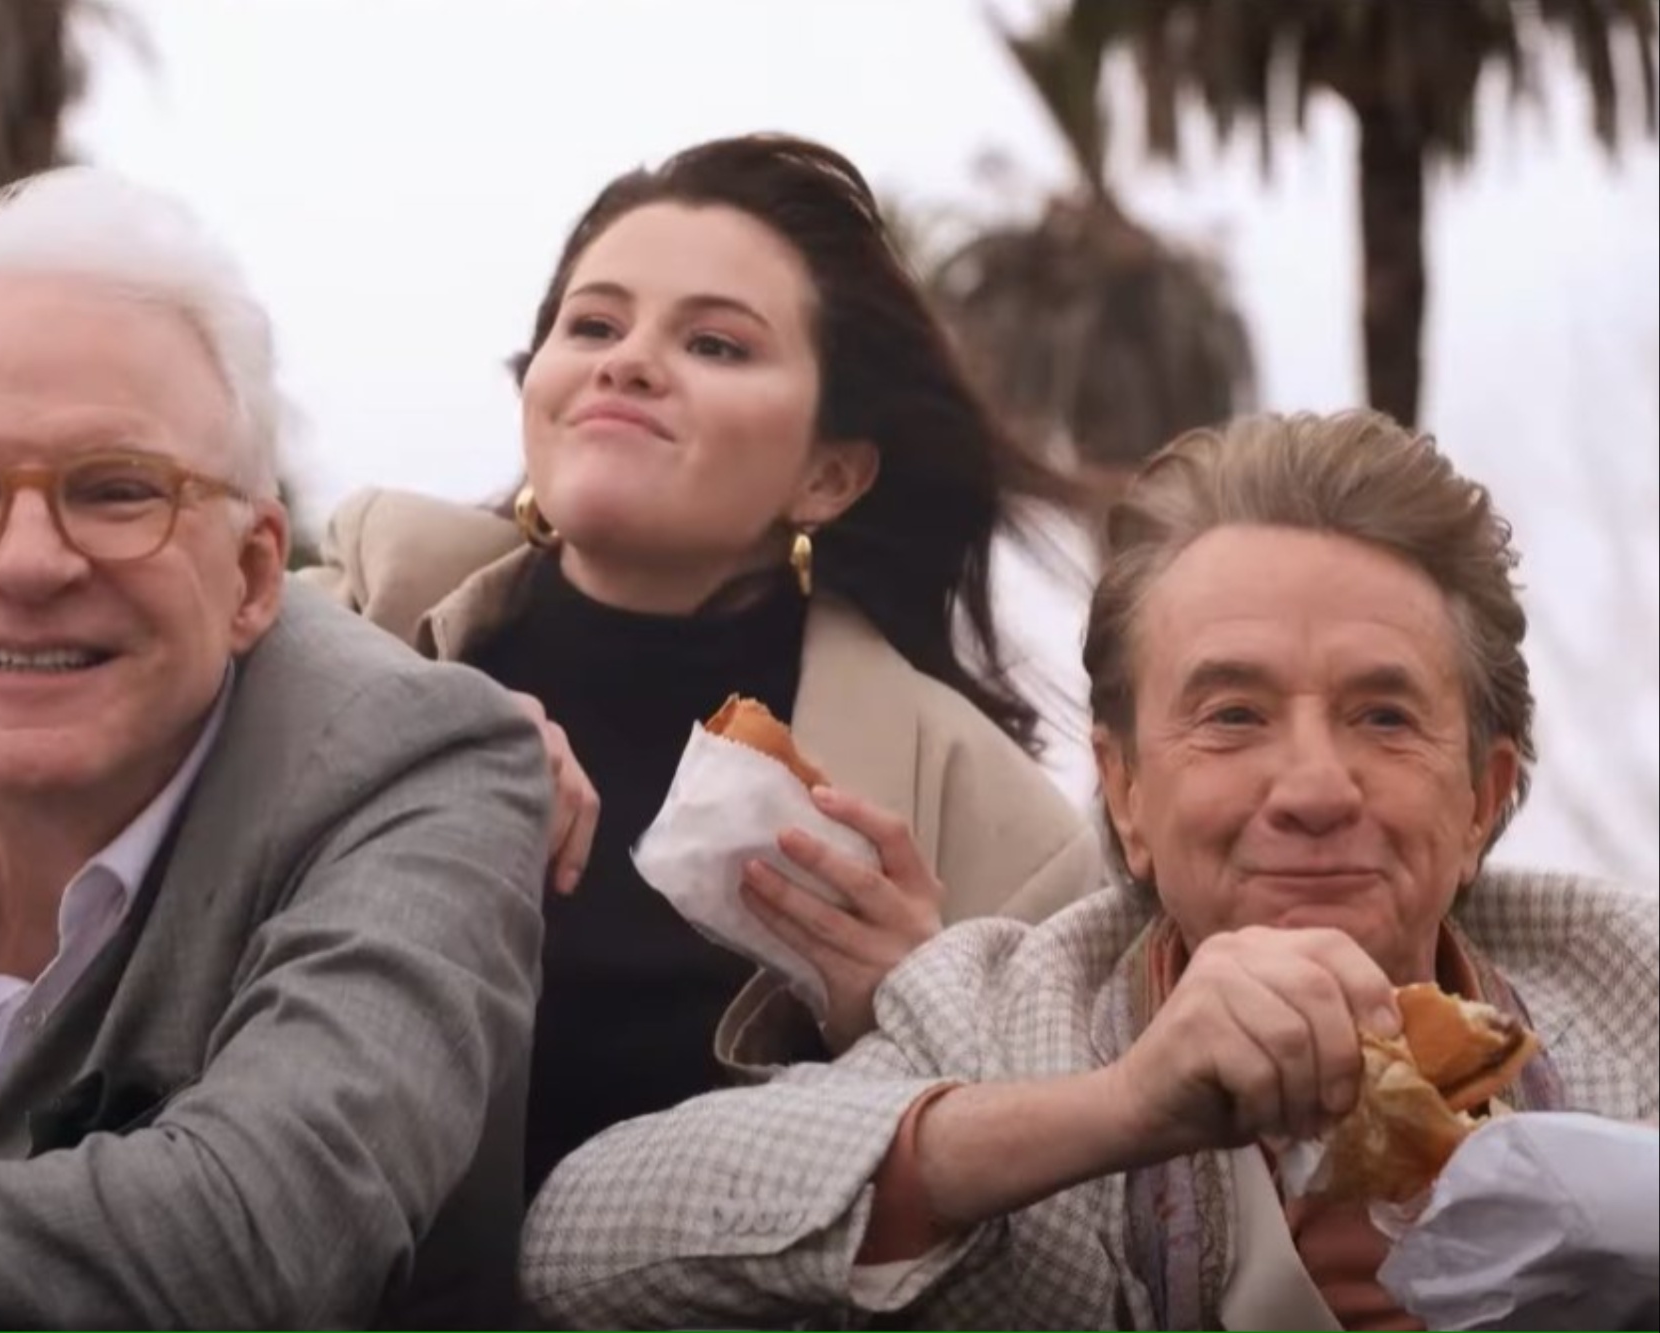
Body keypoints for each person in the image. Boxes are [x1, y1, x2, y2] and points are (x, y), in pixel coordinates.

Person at [517, 408, 1660, 1330]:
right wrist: (1119, 1108)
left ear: (1482, 796)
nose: (1313, 786)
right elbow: (579, 1244)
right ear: (1124, 793)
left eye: (1381, 716)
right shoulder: (1006, 1016)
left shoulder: (1630, 995)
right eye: (1231, 714)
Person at [0, 168, 551, 1330]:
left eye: (118, 490)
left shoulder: (413, 766)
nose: (27, 562)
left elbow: (263, 1228)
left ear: (253, 573)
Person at [303, 133, 1102, 1196]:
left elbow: (1079, 1229)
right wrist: (401, 755)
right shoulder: (326, 645)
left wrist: (912, 1010)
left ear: (827, 475)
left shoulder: (989, 826)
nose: (625, 360)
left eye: (716, 345)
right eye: (590, 323)